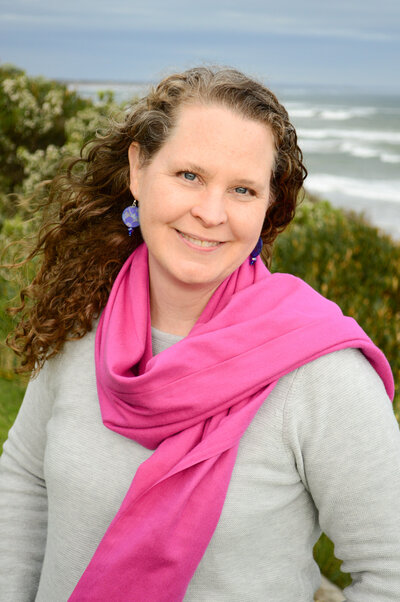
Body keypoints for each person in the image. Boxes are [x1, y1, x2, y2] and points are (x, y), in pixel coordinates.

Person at [0, 66, 399, 602]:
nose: (211, 213)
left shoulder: (322, 373)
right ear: (139, 169)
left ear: (267, 206)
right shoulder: (85, 322)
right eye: (189, 175)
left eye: (242, 189)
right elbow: (25, 481)